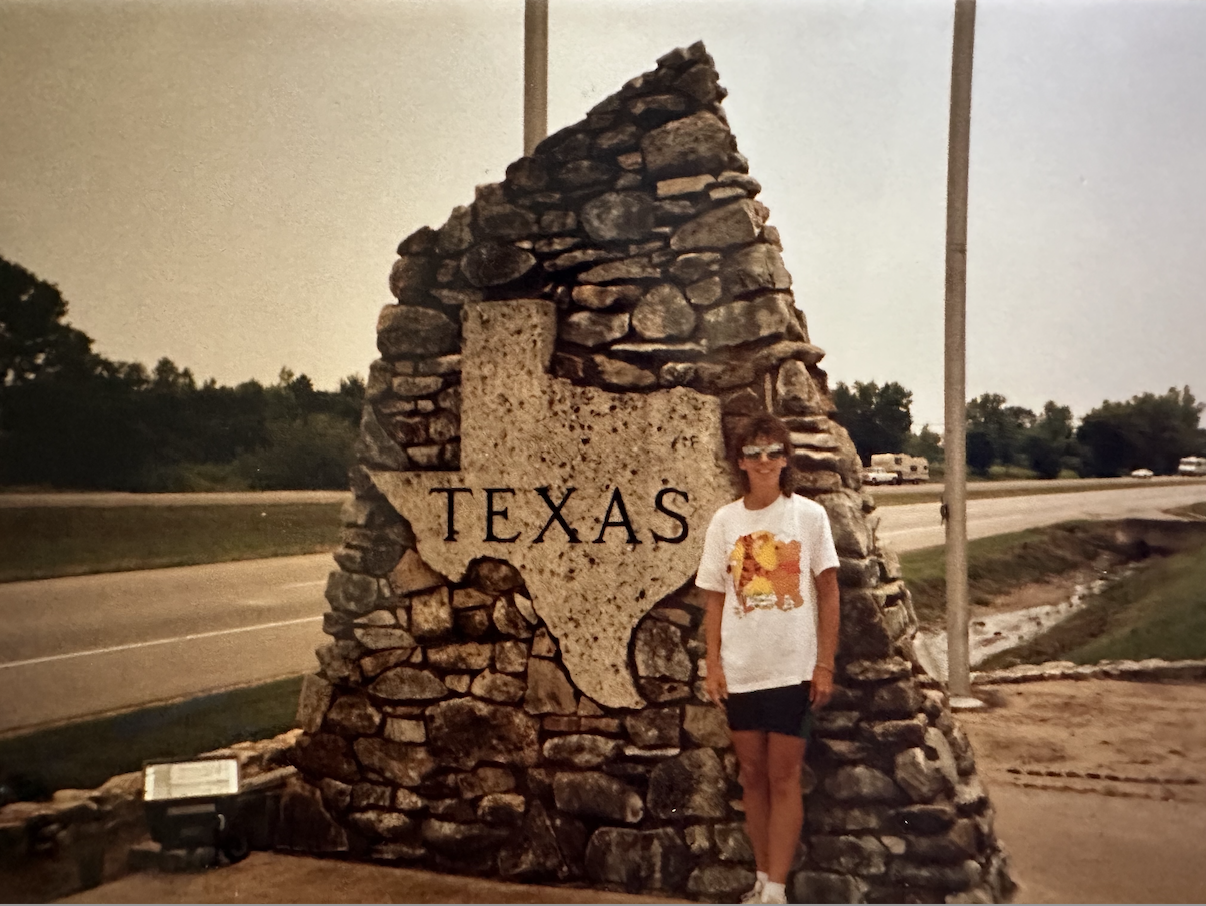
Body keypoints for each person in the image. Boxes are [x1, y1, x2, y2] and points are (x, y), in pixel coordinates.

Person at [696, 413, 841, 905]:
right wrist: (713, 665)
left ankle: (777, 890)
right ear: (740, 461)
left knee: (784, 777)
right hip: (741, 672)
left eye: (773, 452)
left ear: (786, 459)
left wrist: (824, 665)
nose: (764, 462)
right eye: (754, 453)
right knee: (751, 777)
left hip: (791, 670)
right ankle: (760, 877)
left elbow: (829, 593)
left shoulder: (809, 517)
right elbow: (714, 598)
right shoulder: (725, 521)